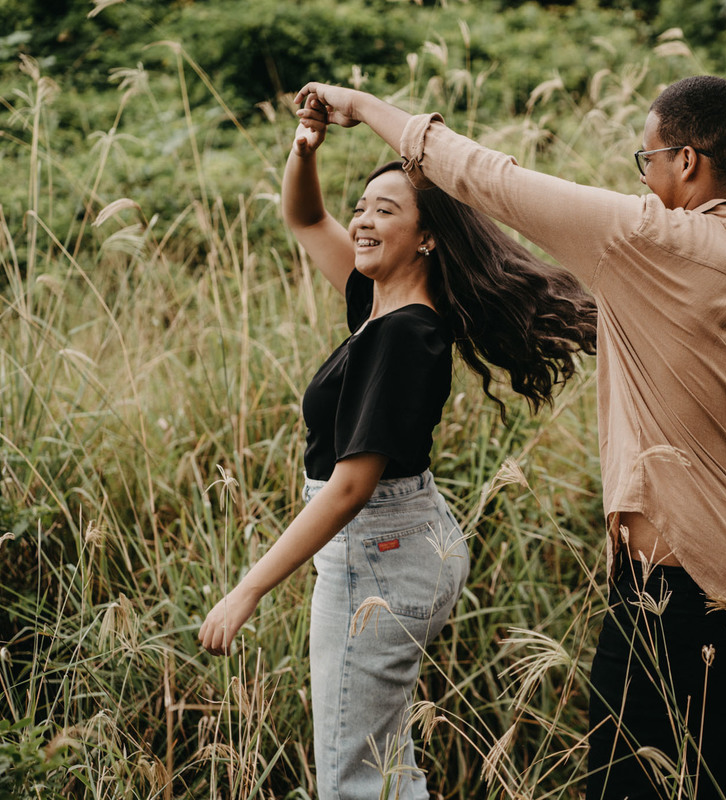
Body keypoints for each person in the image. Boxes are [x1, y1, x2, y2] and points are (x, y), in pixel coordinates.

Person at [290, 74, 726, 798]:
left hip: (665, 594)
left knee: (620, 785)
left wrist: (361, 106)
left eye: (645, 161)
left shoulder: (647, 240)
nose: (643, 181)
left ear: (686, 163)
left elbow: (491, 178)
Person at [198, 100, 596, 800]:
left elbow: (350, 488)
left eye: (384, 210)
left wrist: (248, 589)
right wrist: (307, 144)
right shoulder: (380, 306)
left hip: (378, 554)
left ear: (427, 237)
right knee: (381, 765)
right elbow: (303, 218)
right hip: (396, 545)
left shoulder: (403, 336)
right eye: (362, 207)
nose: (361, 221)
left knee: (354, 779)